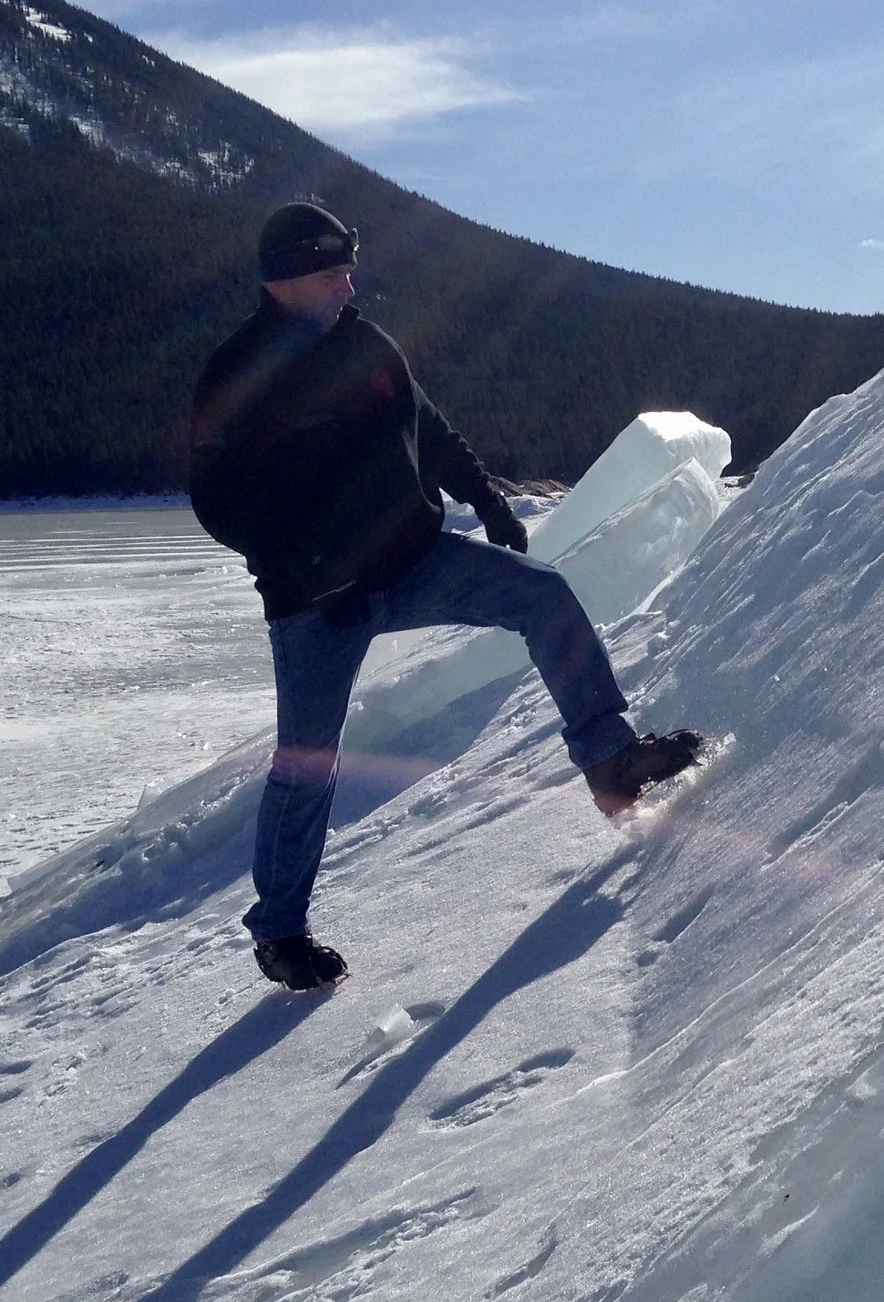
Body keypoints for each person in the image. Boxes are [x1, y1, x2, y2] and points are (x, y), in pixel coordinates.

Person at [190, 202, 704, 992]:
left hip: (413, 560)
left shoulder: (365, 343)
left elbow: (426, 426)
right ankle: (280, 934)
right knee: (308, 763)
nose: (349, 284)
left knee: (545, 599)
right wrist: (318, 570)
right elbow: (220, 501)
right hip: (315, 604)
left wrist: (487, 497)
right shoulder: (239, 373)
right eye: (333, 272)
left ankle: (610, 760)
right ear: (287, 279)